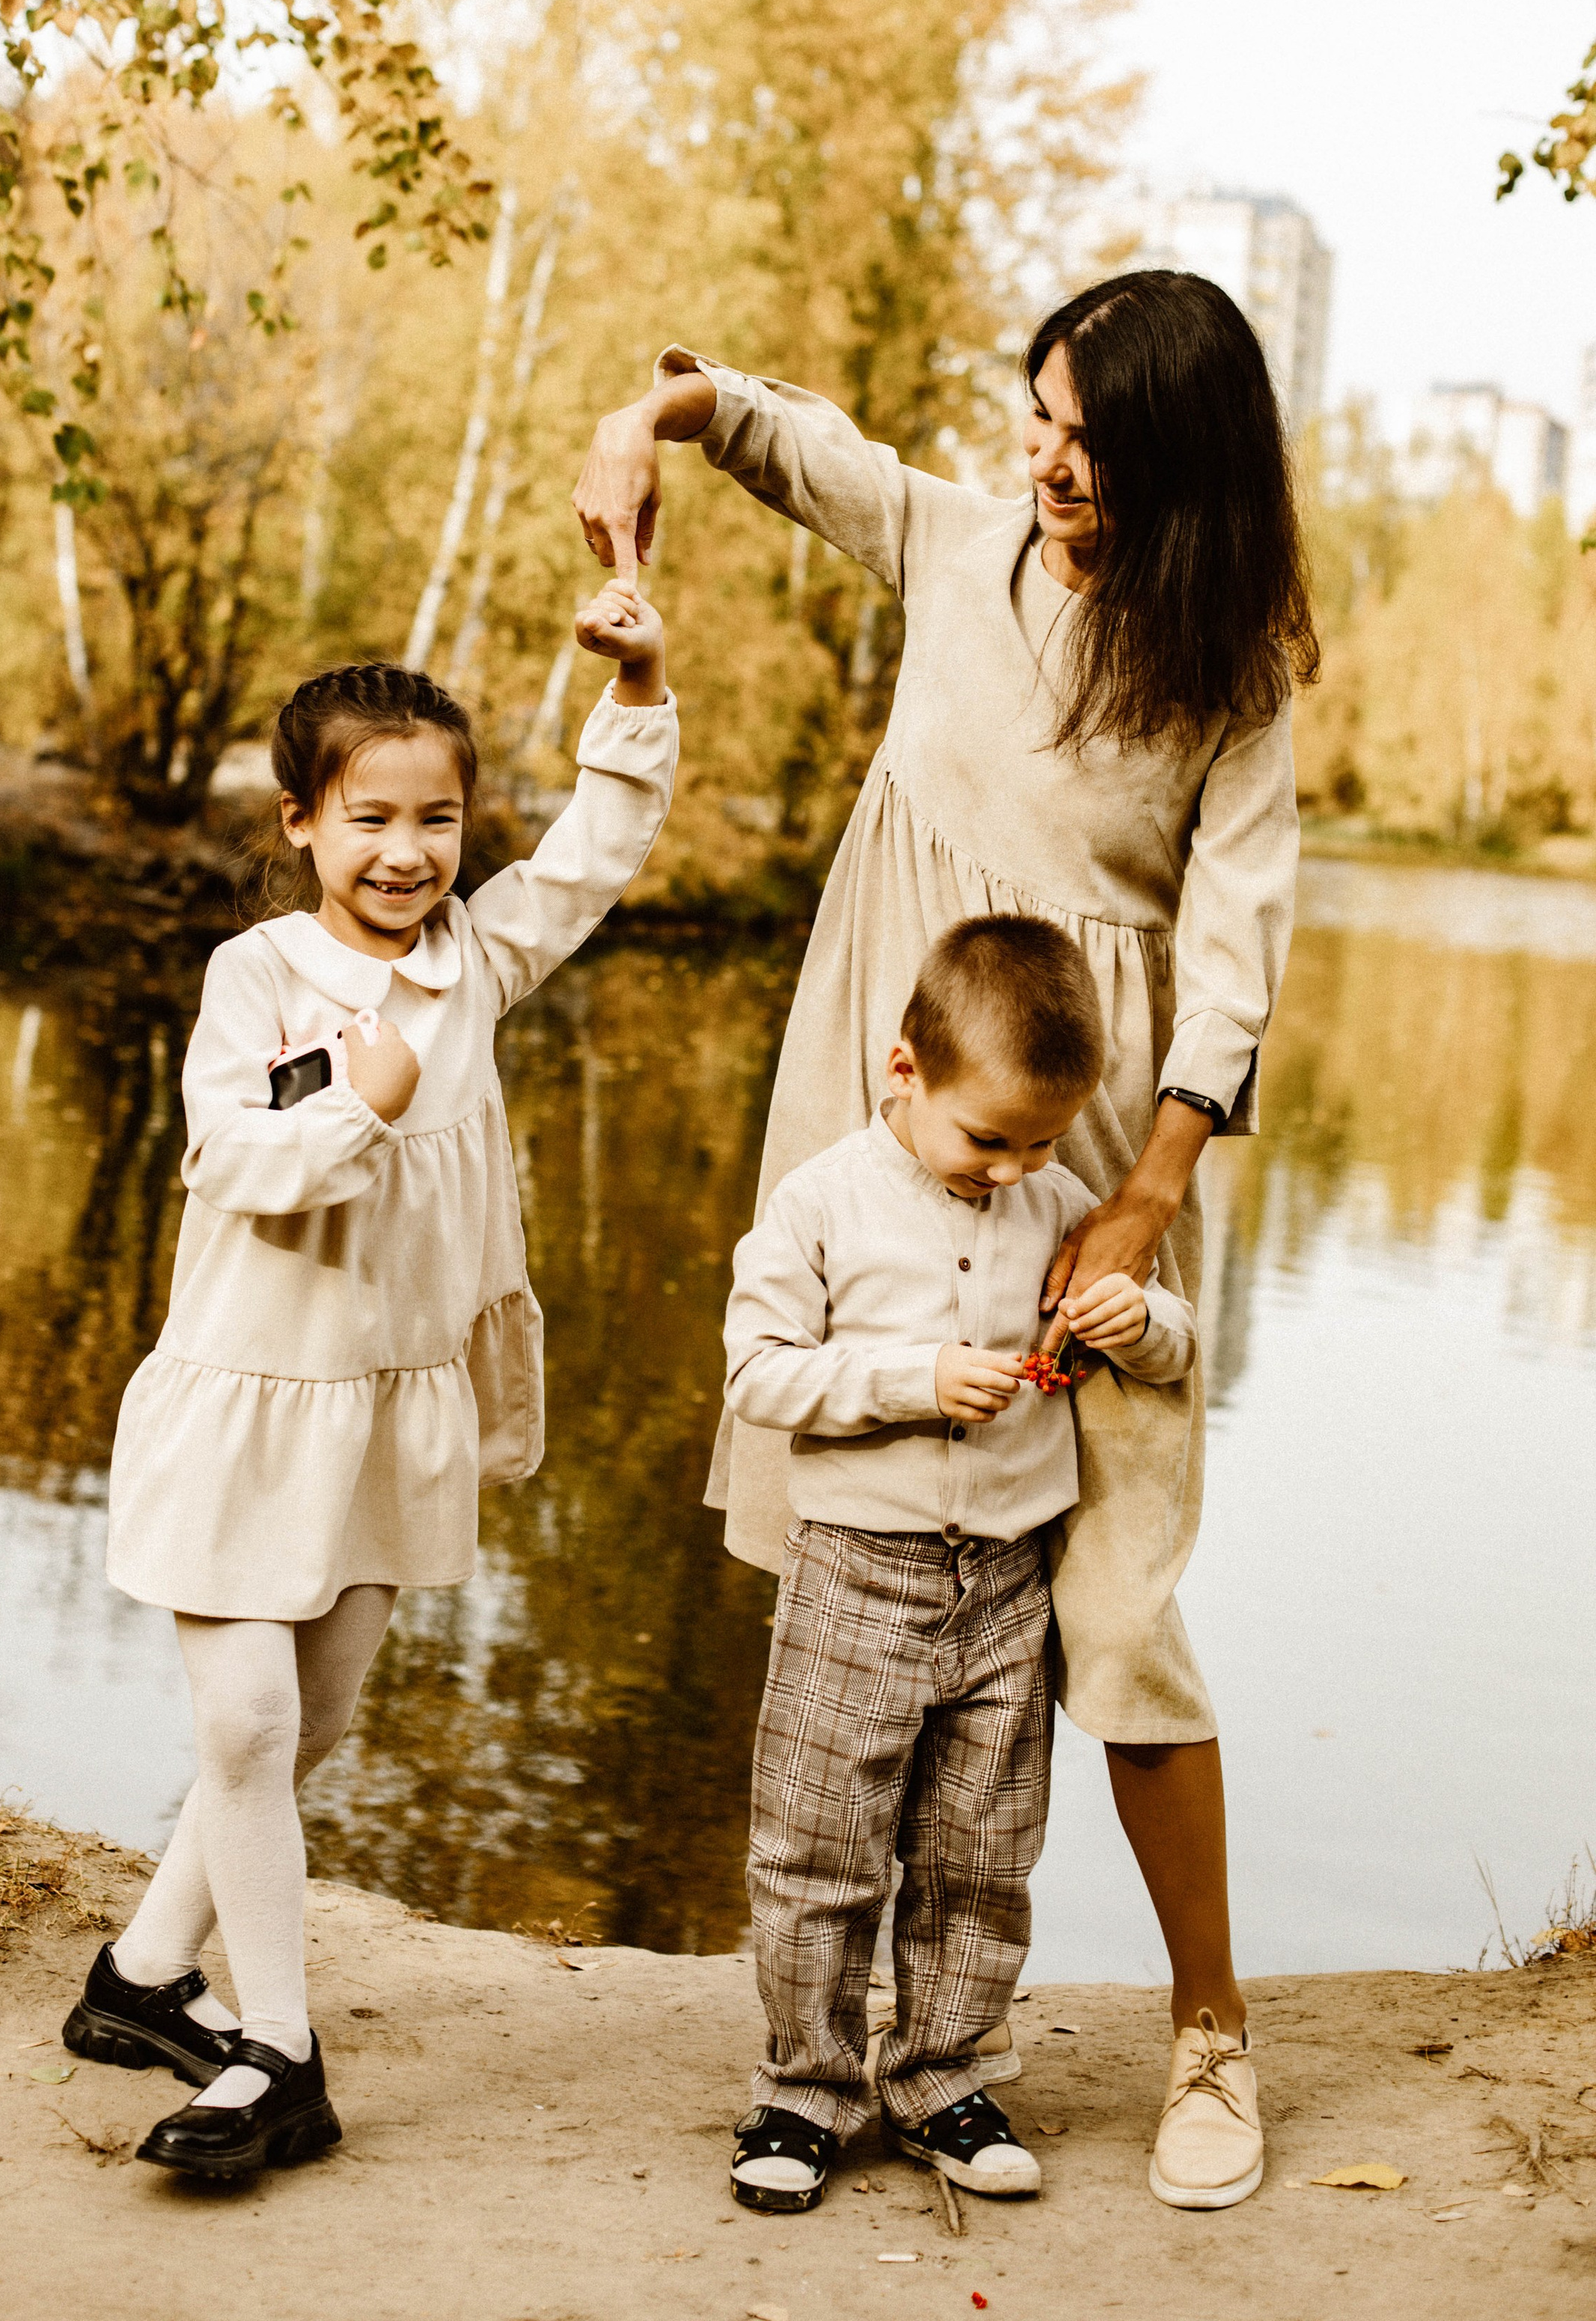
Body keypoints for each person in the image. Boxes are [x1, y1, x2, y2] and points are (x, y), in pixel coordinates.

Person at [572, 271, 1315, 2212]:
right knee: (863, 1553)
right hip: (883, 1096)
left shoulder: (1231, 670)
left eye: (1090, 439)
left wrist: (1143, 1196)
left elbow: (1235, 967)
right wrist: (643, 426)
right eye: (1039, 417)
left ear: (1184, 464)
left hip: (1095, 1149)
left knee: (1118, 1612)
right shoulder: (955, 542)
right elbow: (777, 435)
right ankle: (837, 2056)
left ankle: (1211, 2031)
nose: (1047, 462)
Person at [64, 585, 677, 2179]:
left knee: (309, 1724)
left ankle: (142, 1976)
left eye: (437, 820)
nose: (407, 853)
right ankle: (279, 2054)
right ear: (301, 824)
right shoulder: (254, 974)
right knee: (250, 1722)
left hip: (389, 1407)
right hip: (247, 1400)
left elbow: (597, 856)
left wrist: (636, 685)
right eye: (371, 820)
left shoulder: (478, 958)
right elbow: (232, 1162)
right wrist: (365, 1100)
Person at [726, 916, 1196, 2218]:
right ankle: (806, 2087)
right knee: (819, 1848)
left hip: (1004, 1587)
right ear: (904, 1070)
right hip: (853, 1574)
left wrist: (1138, 1318)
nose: (1015, 1169)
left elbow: (1175, 1346)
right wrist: (914, 1380)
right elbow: (758, 1374)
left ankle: (941, 2075)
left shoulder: (1059, 1207)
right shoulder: (822, 1201)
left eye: (1042, 1142)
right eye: (988, 1139)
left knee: (980, 1852)